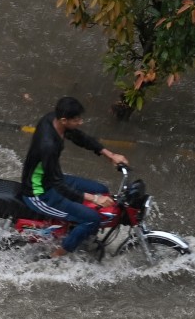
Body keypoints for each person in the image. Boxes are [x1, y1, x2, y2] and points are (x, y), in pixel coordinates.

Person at [21, 96, 129, 258]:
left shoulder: (53, 119)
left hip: (50, 179)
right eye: (76, 119)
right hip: (39, 192)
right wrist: (93, 199)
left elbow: (80, 137)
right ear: (64, 120)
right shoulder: (48, 145)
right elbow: (57, 184)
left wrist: (110, 155)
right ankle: (57, 254)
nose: (80, 122)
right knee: (92, 218)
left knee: (101, 190)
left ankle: (76, 231)